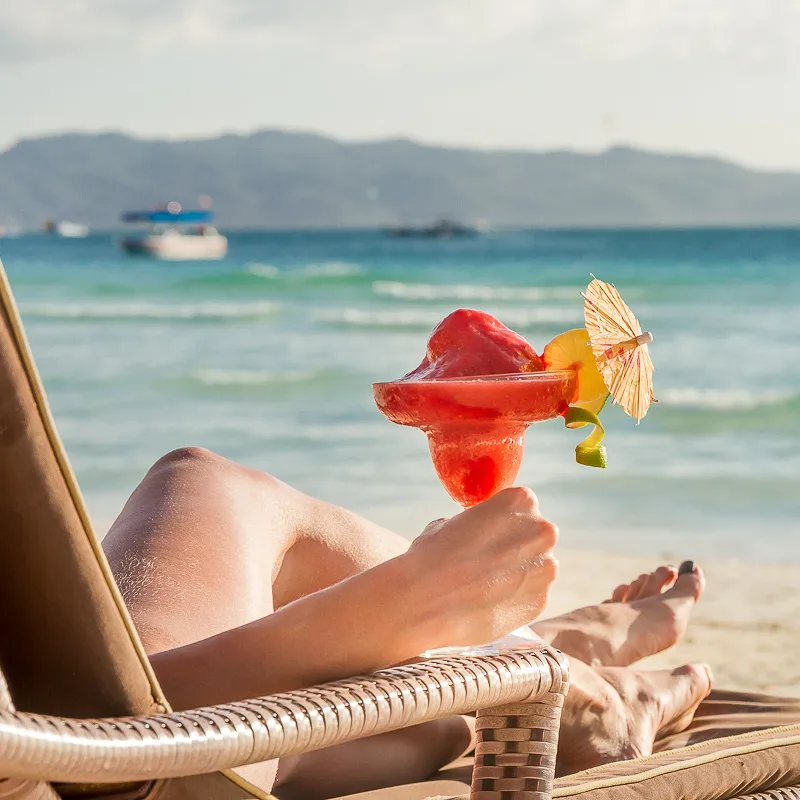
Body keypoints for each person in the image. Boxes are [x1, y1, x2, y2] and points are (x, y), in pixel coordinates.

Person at [102, 447, 777, 799]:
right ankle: (571, 682)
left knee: (287, 742)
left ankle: (524, 652)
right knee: (203, 483)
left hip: (118, 757)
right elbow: (115, 732)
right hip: (123, 755)